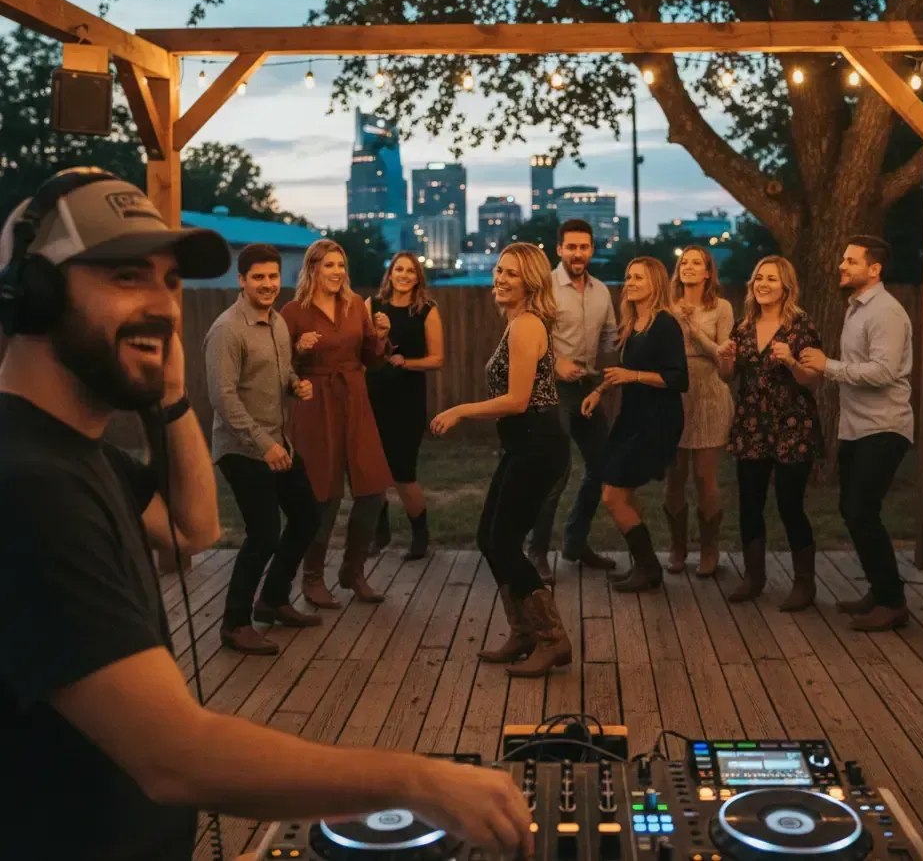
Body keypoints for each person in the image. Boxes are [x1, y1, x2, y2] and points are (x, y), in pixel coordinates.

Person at [0, 169, 533, 861]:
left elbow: (194, 528)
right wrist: (418, 780)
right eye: (126, 276)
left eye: (169, 283)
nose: (162, 306)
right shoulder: (26, 485)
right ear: (31, 297)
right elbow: (176, 756)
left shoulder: (79, 457)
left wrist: (170, 397)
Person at [431, 243, 572, 678]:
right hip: (522, 445)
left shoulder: (528, 325)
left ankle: (553, 640)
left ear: (531, 280)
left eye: (511, 273)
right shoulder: (515, 323)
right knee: (488, 538)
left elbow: (517, 400)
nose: (500, 278)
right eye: (498, 270)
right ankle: (525, 633)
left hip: (538, 444)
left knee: (505, 541)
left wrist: (459, 410)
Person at [205, 244, 322, 656]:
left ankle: (272, 600)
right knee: (264, 532)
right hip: (241, 447)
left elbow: (282, 369)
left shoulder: (276, 323)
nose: (268, 284)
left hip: (276, 440)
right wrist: (265, 444)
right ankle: (235, 625)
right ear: (242, 281)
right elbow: (223, 398)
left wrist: (295, 384)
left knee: (308, 515)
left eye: (273, 276)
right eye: (258, 277)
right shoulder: (227, 330)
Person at [799, 236, 914, 632]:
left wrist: (827, 365)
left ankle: (892, 602)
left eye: (850, 260)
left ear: (874, 268)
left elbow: (883, 373)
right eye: (842, 258)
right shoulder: (857, 308)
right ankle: (881, 590)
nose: (841, 265)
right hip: (857, 427)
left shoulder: (886, 313)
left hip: (883, 427)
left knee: (861, 510)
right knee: (853, 510)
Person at [281, 240, 393, 606]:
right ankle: (312, 578)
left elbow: (372, 359)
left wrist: (381, 336)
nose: (337, 272)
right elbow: (280, 371)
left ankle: (353, 571)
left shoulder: (356, 305)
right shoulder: (293, 312)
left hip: (355, 399)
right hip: (316, 404)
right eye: (329, 265)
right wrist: (298, 351)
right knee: (322, 494)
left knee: (373, 488)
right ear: (312, 268)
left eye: (341, 265)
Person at [718, 256, 822, 611]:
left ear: (785, 287)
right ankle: (754, 577)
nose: (762, 284)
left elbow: (814, 379)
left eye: (771, 279)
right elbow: (728, 376)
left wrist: (791, 361)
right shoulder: (743, 326)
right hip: (751, 425)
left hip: (792, 424)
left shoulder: (801, 327)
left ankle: (804, 584)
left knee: (790, 505)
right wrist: (726, 358)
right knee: (750, 504)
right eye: (758, 277)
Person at [582, 257, 688, 593]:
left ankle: (649, 569)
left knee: (613, 496)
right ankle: (644, 565)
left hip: (657, 420)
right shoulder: (633, 323)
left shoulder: (665, 324)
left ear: (655, 282)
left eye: (638, 277)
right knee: (618, 493)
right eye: (628, 276)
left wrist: (634, 376)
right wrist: (600, 390)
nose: (630, 282)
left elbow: (679, 379)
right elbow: (624, 372)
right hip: (632, 417)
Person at [527, 219, 617, 582]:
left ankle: (575, 543)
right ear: (559, 249)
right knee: (556, 471)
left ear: (592, 249)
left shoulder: (601, 292)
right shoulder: (543, 288)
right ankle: (536, 550)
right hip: (551, 388)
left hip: (589, 388)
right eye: (571, 247)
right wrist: (554, 361)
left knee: (602, 467)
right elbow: (523, 338)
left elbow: (611, 338)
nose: (578, 253)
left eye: (584, 247)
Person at [366, 252, 445, 560]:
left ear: (417, 277)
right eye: (399, 269)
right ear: (390, 273)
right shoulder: (371, 307)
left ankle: (420, 535)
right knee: (374, 471)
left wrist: (406, 362)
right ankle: (380, 532)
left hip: (407, 400)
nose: (404, 275)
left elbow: (437, 359)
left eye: (410, 271)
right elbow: (361, 349)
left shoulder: (426, 310)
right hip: (373, 396)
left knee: (402, 473)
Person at [665, 245, 734, 576]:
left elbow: (722, 355)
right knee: (674, 477)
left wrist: (693, 329)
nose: (689, 267)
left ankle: (709, 548)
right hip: (674, 396)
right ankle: (678, 548)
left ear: (708, 272)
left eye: (697, 263)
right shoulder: (666, 307)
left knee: (705, 477)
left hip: (709, 394)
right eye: (684, 262)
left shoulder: (721, 308)